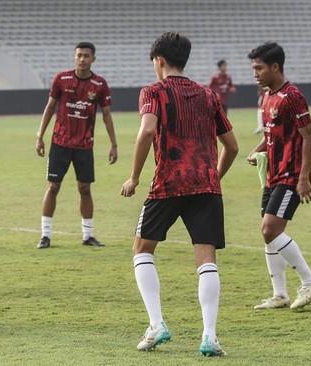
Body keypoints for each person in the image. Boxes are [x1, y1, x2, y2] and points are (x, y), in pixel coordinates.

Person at [121, 32, 238, 356]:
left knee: (142, 249)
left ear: (159, 61)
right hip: (205, 184)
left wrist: (133, 177)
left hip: (169, 182)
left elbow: (146, 130)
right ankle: (210, 337)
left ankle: (157, 324)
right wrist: (214, 175)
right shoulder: (208, 94)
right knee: (206, 258)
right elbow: (232, 146)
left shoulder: (154, 91)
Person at [247, 42, 311, 311]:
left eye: (259, 68)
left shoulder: (293, 96)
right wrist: (257, 150)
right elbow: (271, 135)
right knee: (268, 234)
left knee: (270, 229)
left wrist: (304, 178)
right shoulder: (267, 96)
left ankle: (310, 280)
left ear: (275, 67)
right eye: (254, 68)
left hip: (291, 176)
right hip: (272, 174)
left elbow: (309, 138)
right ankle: (280, 294)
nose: (255, 73)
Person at [35, 42, 118, 249]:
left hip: (84, 145)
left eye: (86, 56)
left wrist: (114, 144)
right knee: (53, 187)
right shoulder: (61, 79)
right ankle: (45, 235)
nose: (82, 59)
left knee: (85, 189)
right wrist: (40, 135)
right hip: (60, 143)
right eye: (79, 55)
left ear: (93, 59)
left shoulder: (99, 84)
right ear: (74, 57)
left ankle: (87, 235)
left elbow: (106, 116)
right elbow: (50, 107)